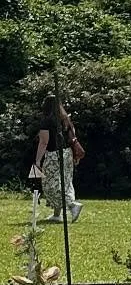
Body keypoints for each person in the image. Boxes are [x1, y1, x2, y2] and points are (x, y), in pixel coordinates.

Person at [33, 94, 84, 224]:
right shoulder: (65, 119)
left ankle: (72, 205)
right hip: (67, 153)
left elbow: (44, 142)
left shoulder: (46, 121)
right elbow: (73, 135)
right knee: (64, 182)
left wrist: (38, 160)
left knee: (50, 184)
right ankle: (57, 214)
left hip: (54, 155)